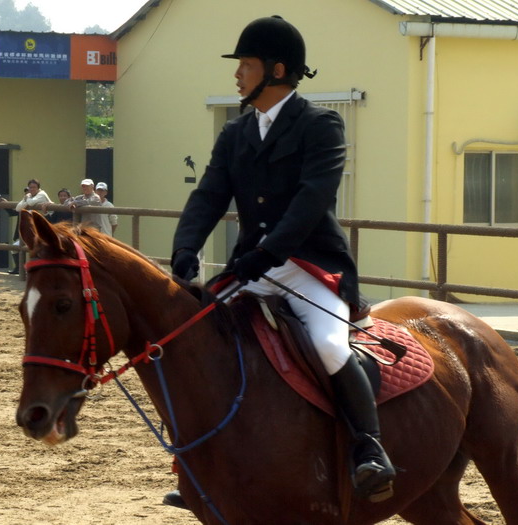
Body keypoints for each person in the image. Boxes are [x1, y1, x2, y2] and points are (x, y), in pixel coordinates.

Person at [169, 16, 395, 507]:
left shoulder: (320, 125)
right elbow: (209, 196)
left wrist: (268, 255)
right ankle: (196, 460)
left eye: (245, 66)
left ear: (275, 70)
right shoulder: (235, 134)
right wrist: (185, 248)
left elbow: (312, 200)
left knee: (329, 346)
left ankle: (368, 449)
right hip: (253, 266)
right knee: (198, 339)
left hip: (310, 265)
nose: (237, 75)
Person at [9, 179, 53, 274]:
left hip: (46, 227)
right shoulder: (29, 196)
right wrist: (27, 200)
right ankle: (20, 269)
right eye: (30, 187)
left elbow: (31, 203)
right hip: (33, 229)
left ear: (38, 188)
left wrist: (26, 199)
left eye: (34, 187)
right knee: (14, 248)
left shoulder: (42, 194)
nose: (32, 189)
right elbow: (18, 208)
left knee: (42, 251)